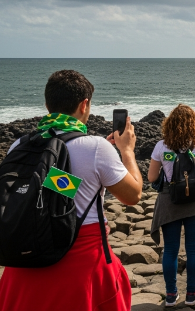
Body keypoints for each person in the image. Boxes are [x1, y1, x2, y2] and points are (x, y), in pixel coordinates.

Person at [0, 70, 143, 311]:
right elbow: (133, 195)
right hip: (82, 267)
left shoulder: (19, 145)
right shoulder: (96, 147)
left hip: (23, 263)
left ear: (47, 104)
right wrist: (126, 151)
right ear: (84, 104)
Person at [148, 104, 195, 307]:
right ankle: (191, 293)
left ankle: (170, 295)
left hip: (170, 202)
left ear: (169, 124)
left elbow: (151, 177)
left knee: (170, 250)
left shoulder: (161, 146)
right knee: (194, 249)